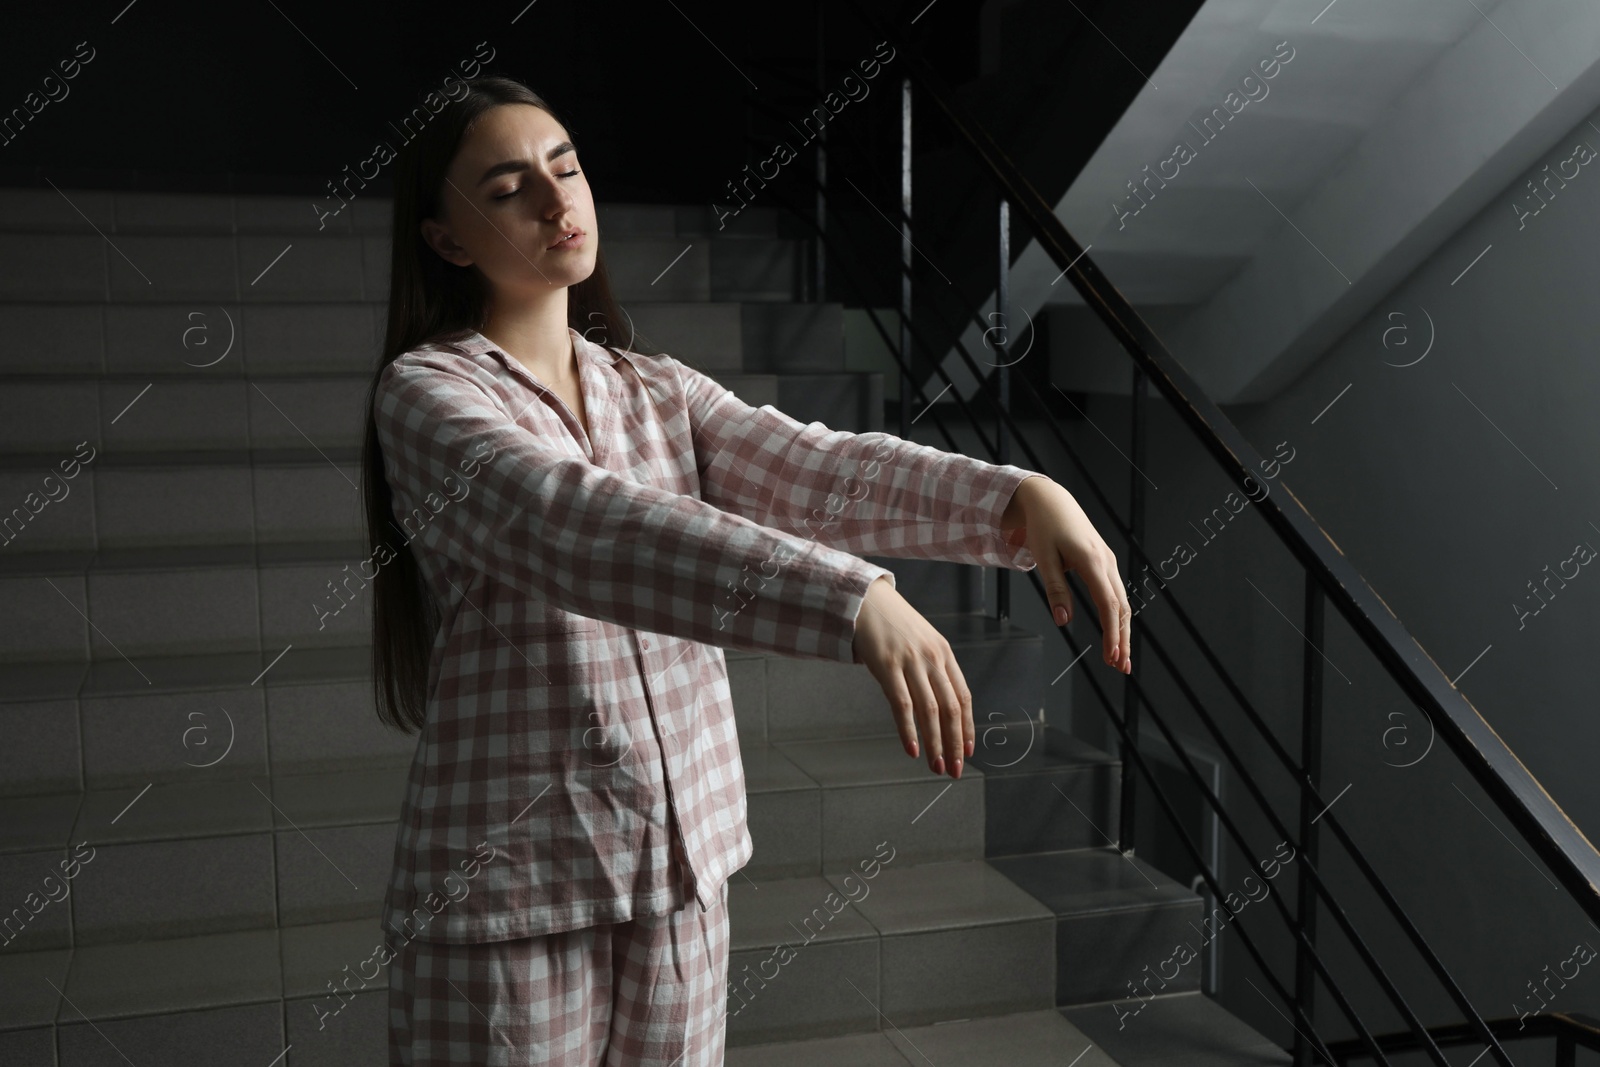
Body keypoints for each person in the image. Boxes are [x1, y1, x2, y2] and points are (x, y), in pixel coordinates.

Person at [361, 75, 1132, 1067]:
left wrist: (1014, 495)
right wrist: (853, 596)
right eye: (509, 189)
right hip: (515, 890)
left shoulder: (653, 387)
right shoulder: (425, 395)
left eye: (567, 167)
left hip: (685, 869)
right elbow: (580, 527)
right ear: (446, 237)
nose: (558, 202)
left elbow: (817, 468)